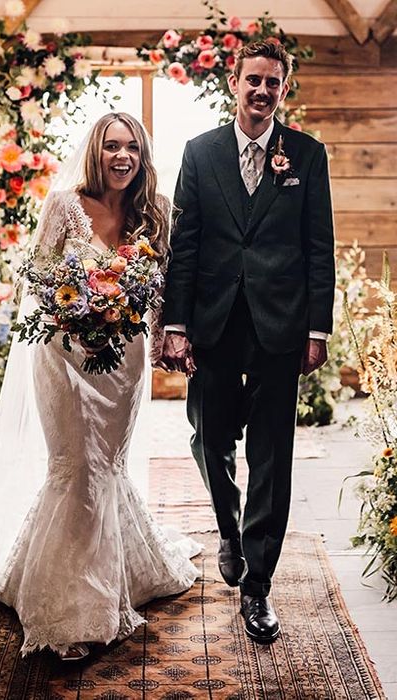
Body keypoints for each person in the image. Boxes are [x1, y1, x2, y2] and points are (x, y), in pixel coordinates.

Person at [0, 113, 200, 661]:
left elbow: (160, 291)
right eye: (113, 146)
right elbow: (41, 282)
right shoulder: (64, 206)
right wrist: (78, 330)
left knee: (106, 465)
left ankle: (108, 575)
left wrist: (167, 345)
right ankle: (72, 611)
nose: (123, 156)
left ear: (142, 156)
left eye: (133, 148)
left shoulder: (154, 213)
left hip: (125, 363)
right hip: (63, 359)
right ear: (96, 151)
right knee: (75, 465)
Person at [161, 40, 335, 644]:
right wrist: (175, 323)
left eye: (273, 83)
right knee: (210, 437)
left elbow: (319, 247)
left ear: (284, 90)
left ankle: (258, 584)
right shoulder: (199, 152)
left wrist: (317, 328)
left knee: (272, 455)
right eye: (252, 80)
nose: (262, 91)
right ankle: (228, 529)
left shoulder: (307, 156)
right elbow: (185, 243)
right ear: (234, 83)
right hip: (215, 321)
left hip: (281, 325)